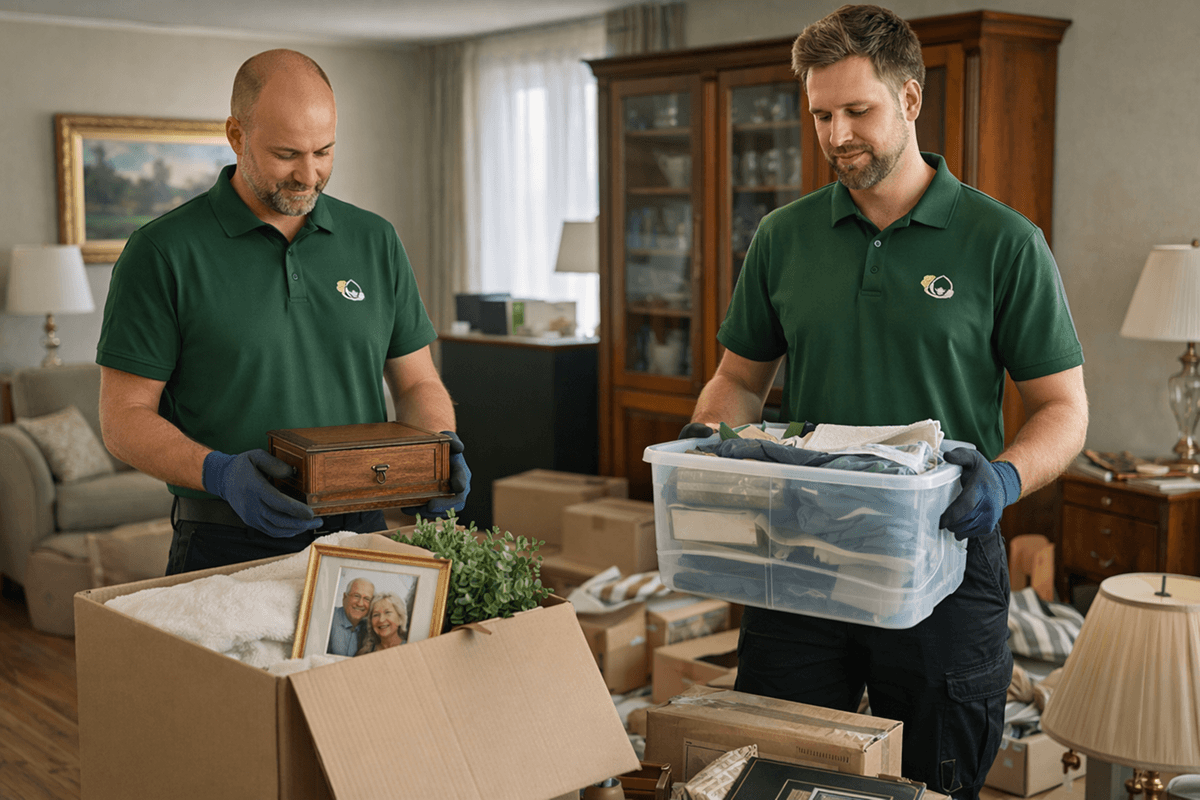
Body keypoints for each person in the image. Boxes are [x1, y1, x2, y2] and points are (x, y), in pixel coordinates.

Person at [682, 6, 1088, 800]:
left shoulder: (1004, 242)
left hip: (943, 555)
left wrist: (1005, 478)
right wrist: (708, 436)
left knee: (934, 781)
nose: (837, 136)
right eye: (821, 115)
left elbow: (1063, 409)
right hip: (800, 549)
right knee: (777, 770)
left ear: (909, 99)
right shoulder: (783, 237)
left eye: (857, 111)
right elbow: (740, 378)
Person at [96, 49, 469, 575]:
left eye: (324, 151)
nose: (308, 174)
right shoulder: (162, 252)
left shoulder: (375, 240)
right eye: (286, 153)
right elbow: (123, 419)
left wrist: (436, 447)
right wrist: (220, 472)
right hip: (224, 540)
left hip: (363, 536)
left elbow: (416, 383)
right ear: (236, 134)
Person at [327, 577, 375, 657]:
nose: (360, 603)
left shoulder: (371, 628)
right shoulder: (328, 616)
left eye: (367, 599)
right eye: (356, 596)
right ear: (345, 597)